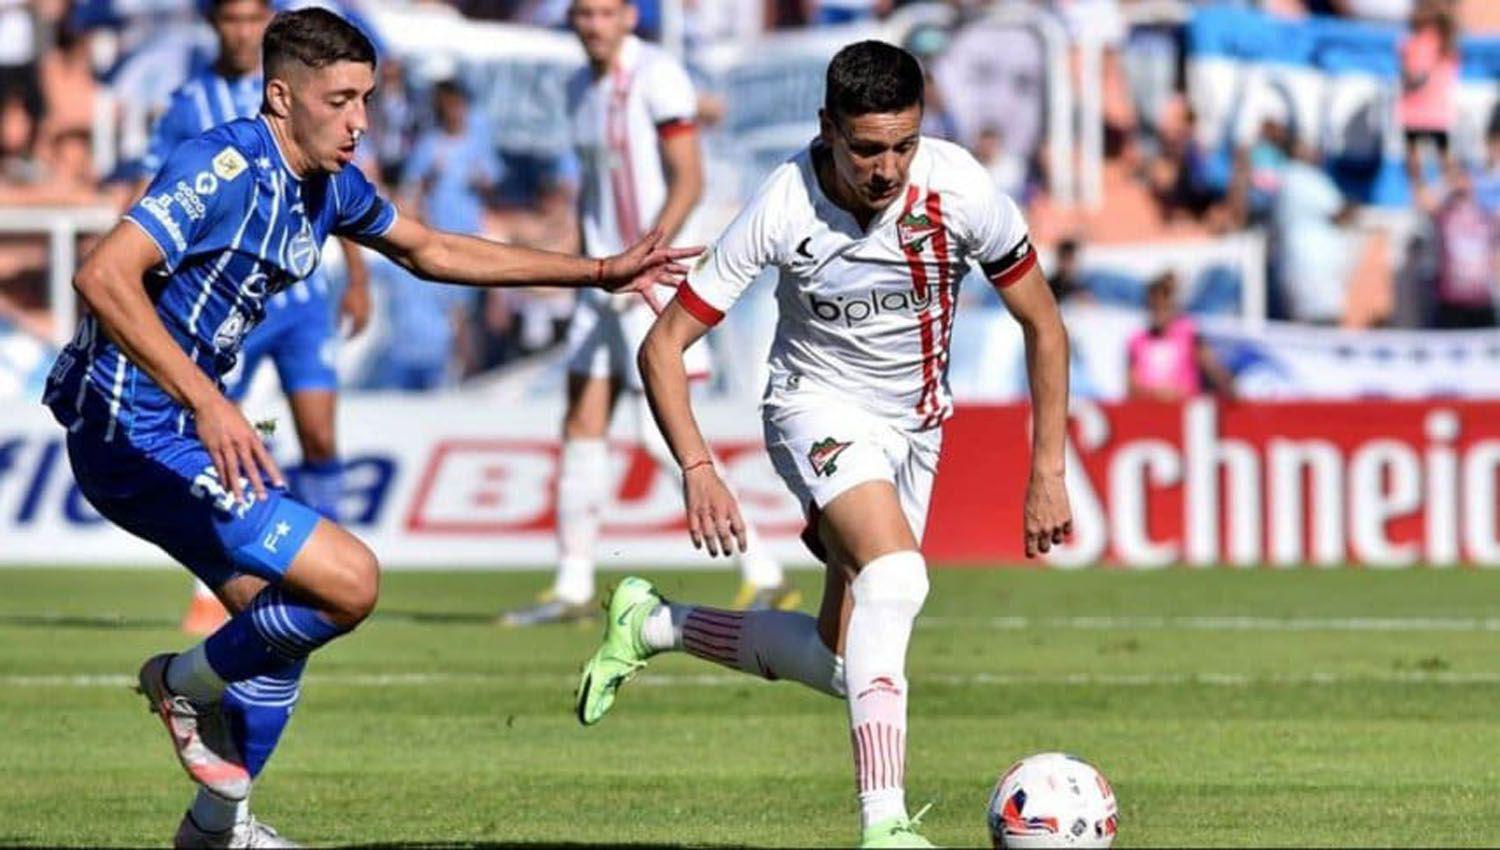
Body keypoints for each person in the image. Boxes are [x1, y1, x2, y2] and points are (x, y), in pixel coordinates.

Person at [40, 9, 693, 846]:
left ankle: (216, 830)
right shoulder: (225, 162)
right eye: (340, 100)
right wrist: (207, 399)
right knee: (349, 581)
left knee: (281, 627)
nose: (359, 122)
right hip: (127, 427)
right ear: (282, 96)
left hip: (179, 427)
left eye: (368, 100)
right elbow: (102, 275)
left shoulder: (329, 185)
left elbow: (431, 250)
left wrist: (597, 271)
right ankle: (180, 683)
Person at [572, 41, 1073, 848]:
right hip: (813, 408)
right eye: (868, 148)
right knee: (899, 578)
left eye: (904, 145)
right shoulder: (784, 204)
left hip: (915, 429)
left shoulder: (961, 189)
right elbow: (662, 347)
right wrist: (698, 467)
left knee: (844, 663)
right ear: (827, 130)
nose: (887, 168)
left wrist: (1045, 469)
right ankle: (884, 827)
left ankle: (653, 624)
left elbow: (1043, 326)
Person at [500, 0, 793, 628]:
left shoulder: (657, 76)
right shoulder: (580, 86)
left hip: (645, 280)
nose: (593, 25)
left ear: (630, 17)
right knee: (581, 422)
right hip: (601, 281)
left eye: (605, 13)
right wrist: (586, 266)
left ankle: (763, 569)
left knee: (656, 433)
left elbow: (688, 177)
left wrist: (645, 255)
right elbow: (592, 187)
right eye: (583, 14)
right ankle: (572, 583)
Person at [138, 0, 375, 637]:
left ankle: (324, 562)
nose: (242, 31)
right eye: (231, 20)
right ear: (215, 26)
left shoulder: (317, 87)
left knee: (321, 436)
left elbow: (344, 191)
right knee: (215, 442)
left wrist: (356, 275)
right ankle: (211, 588)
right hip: (226, 311)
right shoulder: (192, 105)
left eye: (252, 19)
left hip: (299, 305)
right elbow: (157, 189)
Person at [1126, 272, 1236, 401]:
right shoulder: (1137, 340)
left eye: (1164, 307)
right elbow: (1131, 385)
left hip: (1186, 408)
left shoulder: (1189, 333)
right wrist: (1157, 393)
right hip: (1151, 409)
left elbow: (1211, 367)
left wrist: (1229, 388)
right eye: (1154, 307)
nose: (1159, 312)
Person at [1398, 0, 1459, 212]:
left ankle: (1423, 196)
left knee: (1417, 158)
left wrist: (1411, 78)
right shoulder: (1446, 44)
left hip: (1418, 110)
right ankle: (1443, 194)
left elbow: (1414, 77)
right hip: (1436, 110)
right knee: (1442, 155)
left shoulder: (1418, 43)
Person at [1429, 163, 1498, 328]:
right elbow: (1425, 201)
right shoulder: (1444, 214)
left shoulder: (1486, 216)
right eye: (1457, 180)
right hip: (1451, 303)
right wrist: (1447, 184)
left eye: (1465, 179)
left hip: (1482, 302)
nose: (1462, 184)